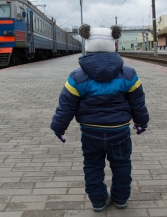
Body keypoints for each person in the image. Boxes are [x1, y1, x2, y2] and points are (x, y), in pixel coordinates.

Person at [50, 24, 150, 212]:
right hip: (119, 130)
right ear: (114, 43)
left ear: (87, 44)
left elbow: (66, 106)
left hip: (90, 131)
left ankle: (98, 201)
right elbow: (138, 103)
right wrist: (141, 122)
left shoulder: (76, 76)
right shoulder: (129, 74)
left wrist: (58, 127)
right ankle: (121, 199)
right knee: (121, 164)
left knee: (92, 165)